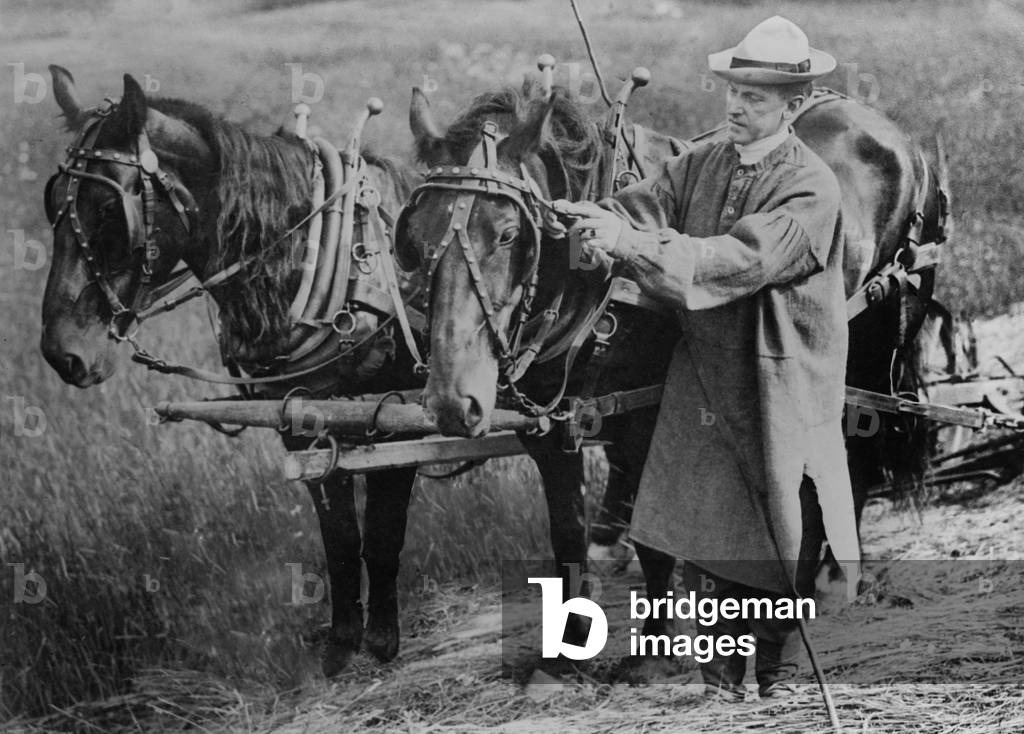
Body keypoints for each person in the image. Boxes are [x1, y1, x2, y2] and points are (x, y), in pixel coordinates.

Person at [546, 16, 861, 701]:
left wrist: (629, 245)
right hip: (708, 363)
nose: (736, 105)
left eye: (754, 96)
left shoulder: (811, 188)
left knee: (782, 517)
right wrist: (583, 227)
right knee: (706, 516)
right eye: (733, 91)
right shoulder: (705, 161)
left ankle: (778, 672)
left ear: (793, 103)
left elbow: (737, 260)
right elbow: (641, 208)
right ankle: (722, 680)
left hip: (780, 369)